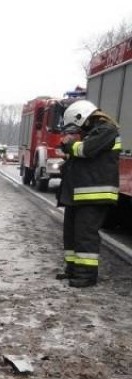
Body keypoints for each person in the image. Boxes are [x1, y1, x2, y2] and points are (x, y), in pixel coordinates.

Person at [56, 99, 121, 288]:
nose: (76, 130)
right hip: (78, 195)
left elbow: (86, 150)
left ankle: (86, 276)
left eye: (76, 125)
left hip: (93, 195)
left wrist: (69, 146)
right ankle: (73, 270)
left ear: (81, 115)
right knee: (71, 234)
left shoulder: (107, 129)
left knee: (85, 236)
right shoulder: (92, 132)